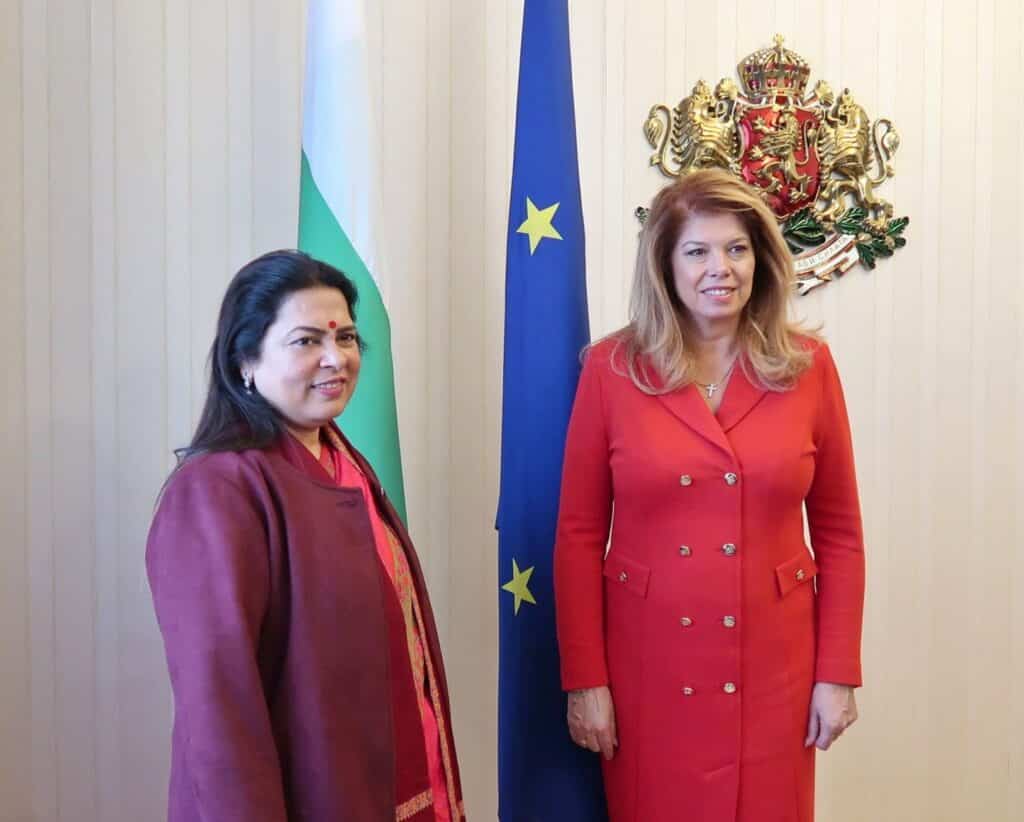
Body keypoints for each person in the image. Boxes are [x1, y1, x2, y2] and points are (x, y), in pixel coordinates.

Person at [553, 169, 865, 821]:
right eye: (697, 250)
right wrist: (586, 681)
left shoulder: (809, 366)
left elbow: (839, 535)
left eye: (736, 248)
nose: (719, 268)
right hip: (648, 669)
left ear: (761, 260)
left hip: (776, 670)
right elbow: (578, 536)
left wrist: (837, 672)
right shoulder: (611, 369)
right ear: (666, 265)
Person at [146, 250, 464, 822]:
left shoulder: (345, 462)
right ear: (244, 360)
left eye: (346, 339)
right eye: (306, 341)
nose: (335, 358)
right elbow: (219, 704)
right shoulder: (216, 489)